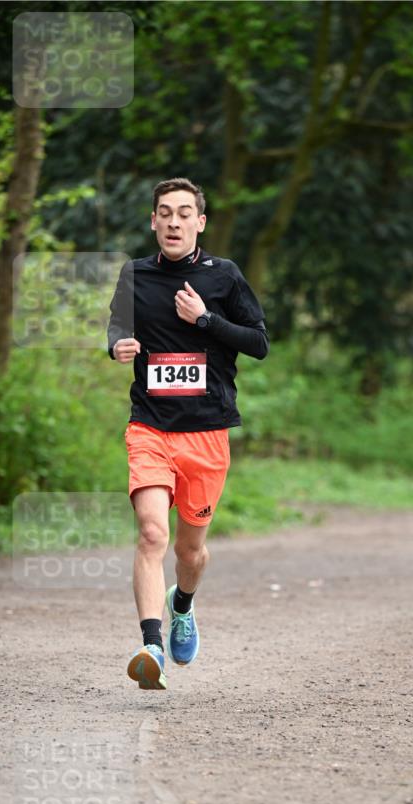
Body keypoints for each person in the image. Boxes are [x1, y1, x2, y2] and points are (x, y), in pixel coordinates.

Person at [107, 177, 269, 691]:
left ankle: (183, 604)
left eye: (183, 213)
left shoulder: (224, 277)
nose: (173, 222)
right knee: (152, 532)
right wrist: (116, 347)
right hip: (149, 425)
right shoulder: (134, 275)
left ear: (200, 222)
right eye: (164, 213)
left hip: (205, 433)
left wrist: (205, 321)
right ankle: (151, 644)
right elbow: (115, 326)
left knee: (189, 553)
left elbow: (259, 342)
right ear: (153, 221)